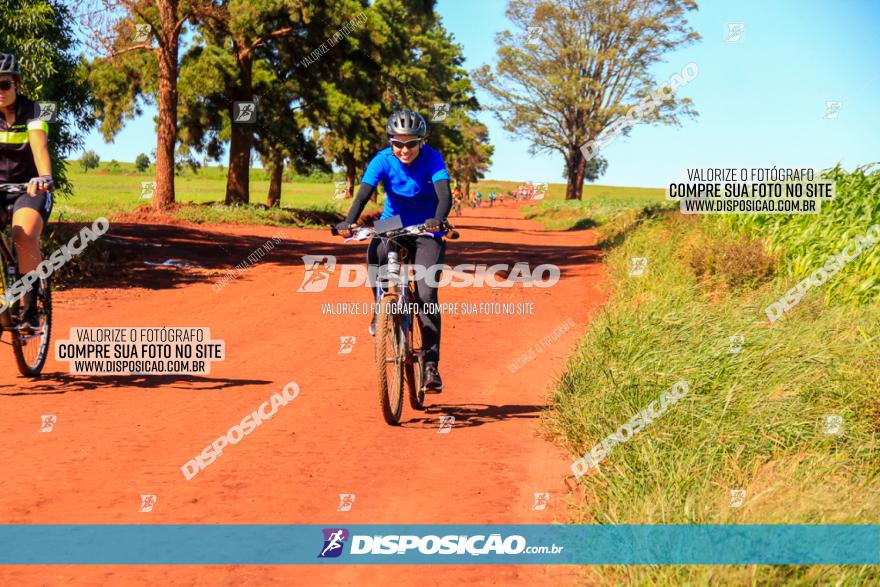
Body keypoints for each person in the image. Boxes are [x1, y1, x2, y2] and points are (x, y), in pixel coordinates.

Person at [335, 109, 451, 392]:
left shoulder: (432, 158)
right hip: (394, 223)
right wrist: (349, 222)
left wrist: (438, 219)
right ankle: (381, 307)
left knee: (425, 293)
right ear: (390, 142)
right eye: (397, 143)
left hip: (427, 225)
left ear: (421, 141)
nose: (404, 149)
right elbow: (363, 193)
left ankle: (431, 364)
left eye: (411, 143)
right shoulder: (382, 160)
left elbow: (444, 194)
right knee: (375, 251)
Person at [0, 53, 53, 331]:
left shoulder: (37, 109)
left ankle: (31, 310)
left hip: (31, 187)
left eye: (4, 85)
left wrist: (44, 177)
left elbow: (39, 147)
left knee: (22, 235)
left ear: (16, 84)